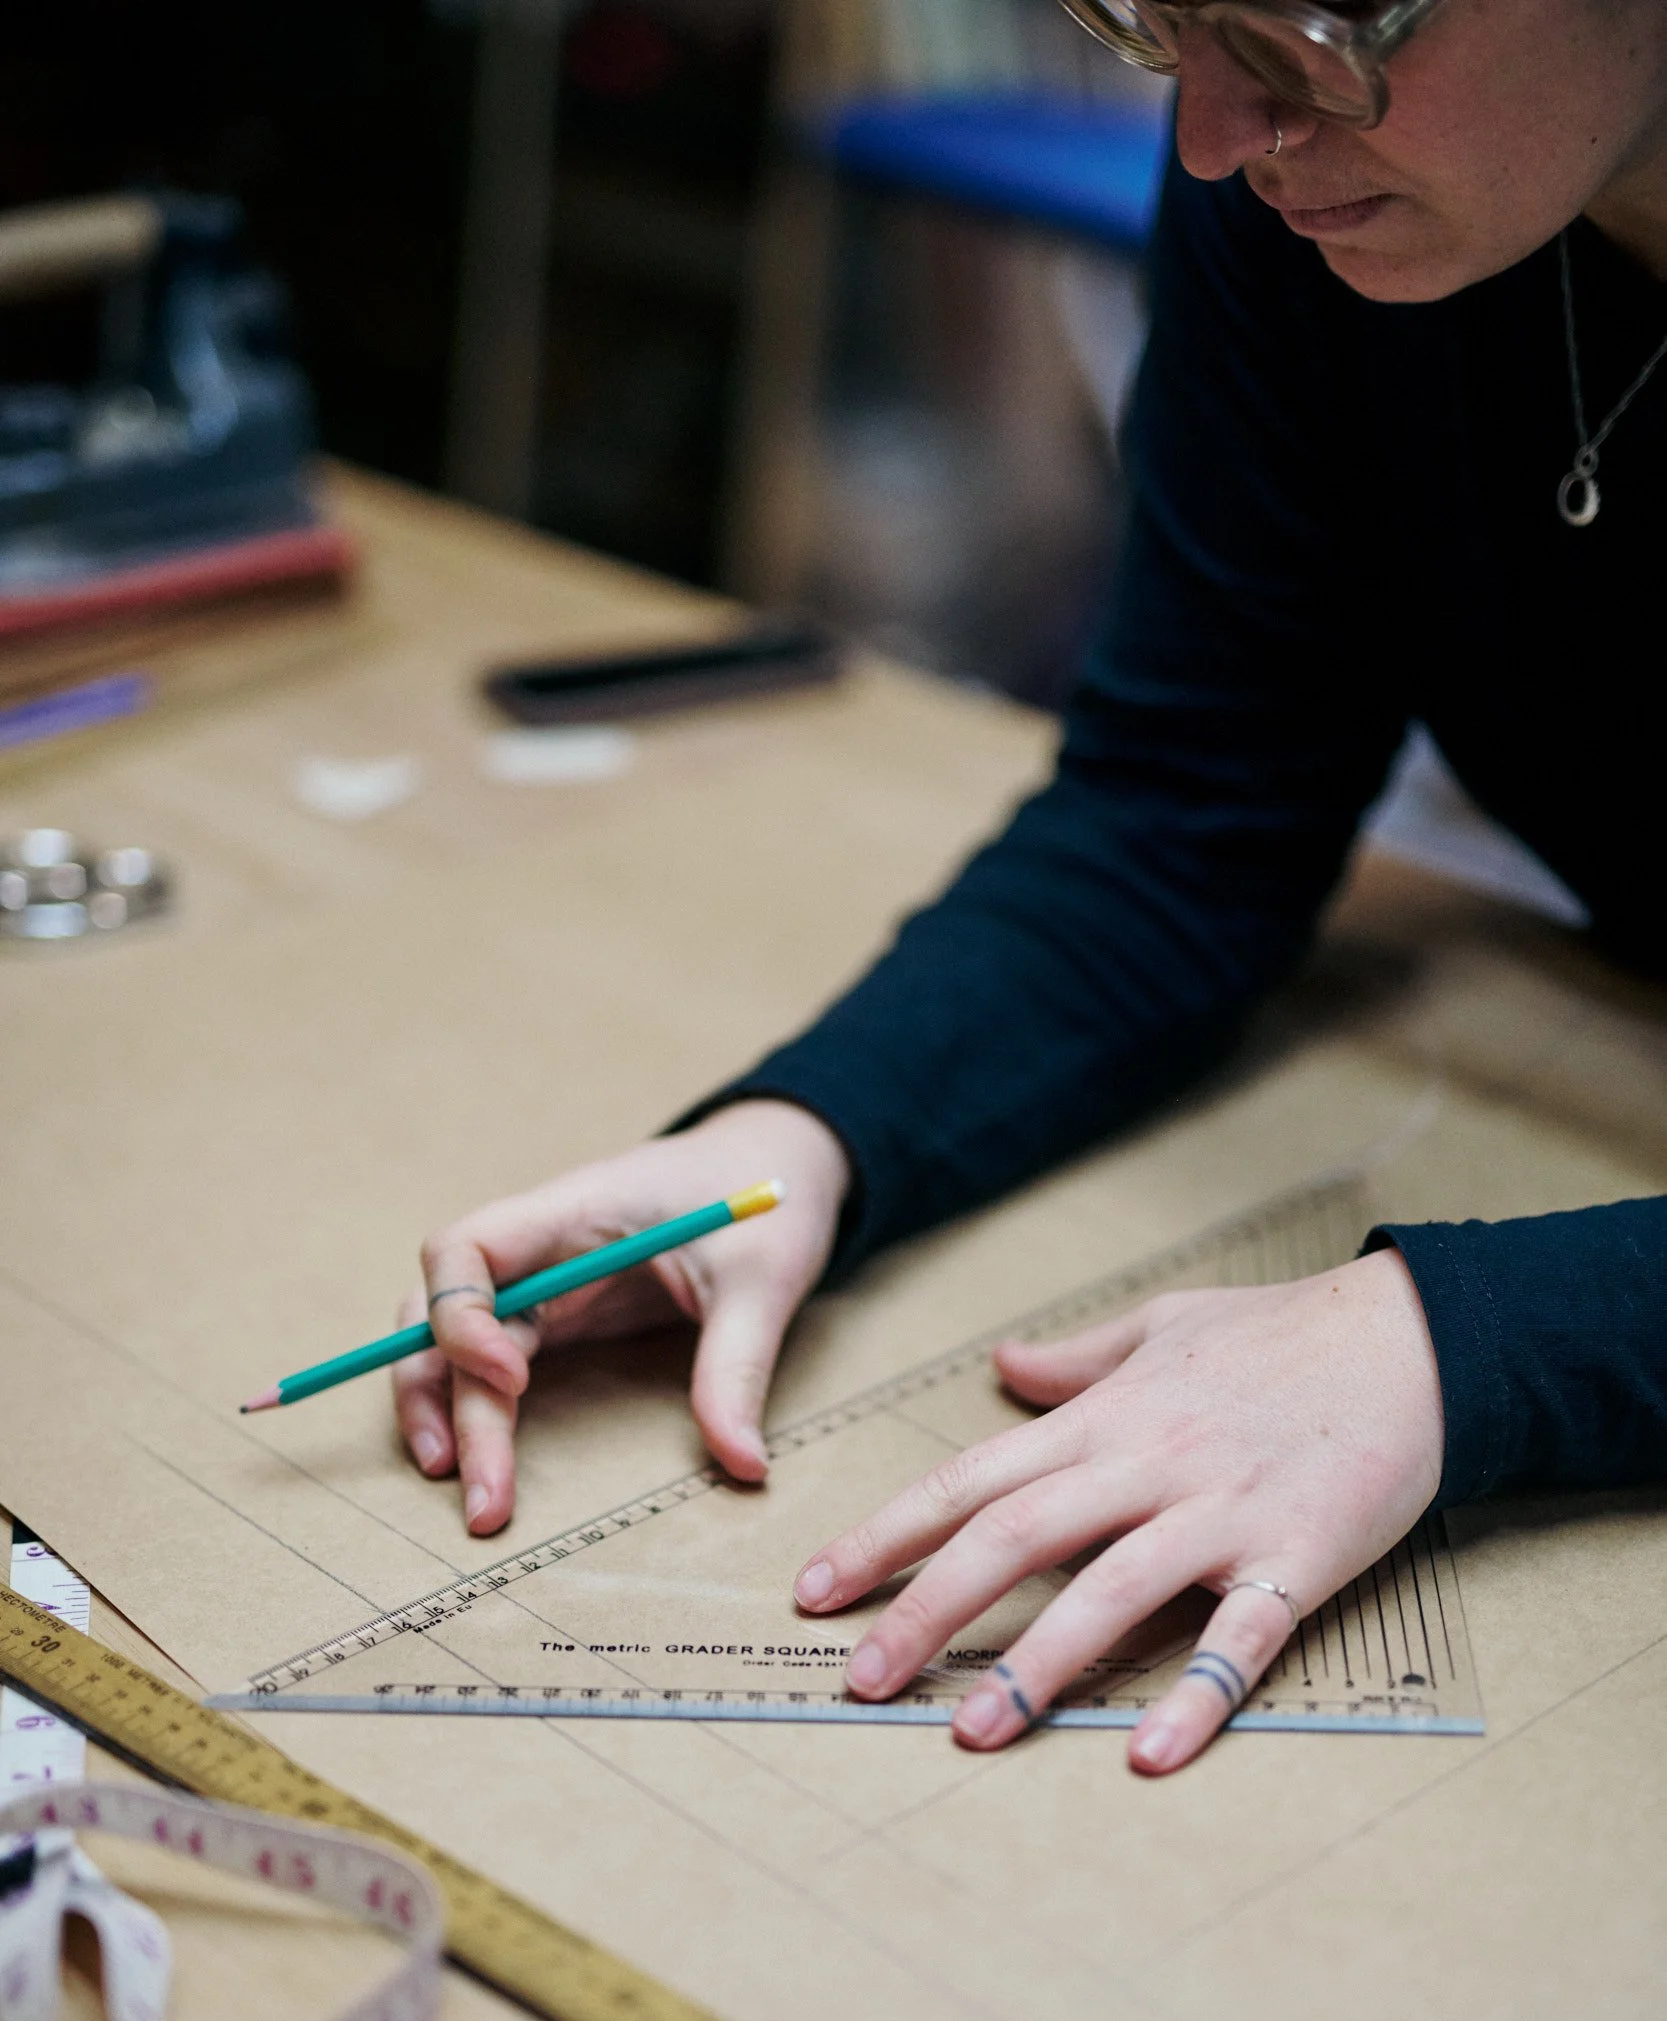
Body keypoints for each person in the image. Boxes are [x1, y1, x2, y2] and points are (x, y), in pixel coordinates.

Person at [396, 0, 1667, 1774]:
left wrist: (1460, 1348)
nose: (1220, 136)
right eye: (1154, 25)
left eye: (1306, 34)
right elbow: (1193, 800)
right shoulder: (1302, 188)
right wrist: (809, 1137)